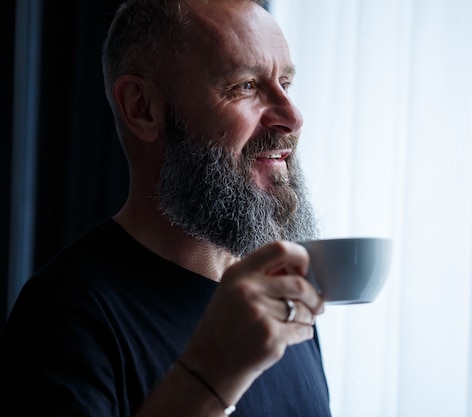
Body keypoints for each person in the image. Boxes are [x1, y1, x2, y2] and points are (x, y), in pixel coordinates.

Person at [0, 0, 333, 416]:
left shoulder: (278, 300)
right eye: (245, 85)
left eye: (285, 82)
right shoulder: (66, 314)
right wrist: (211, 377)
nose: (292, 116)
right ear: (143, 108)